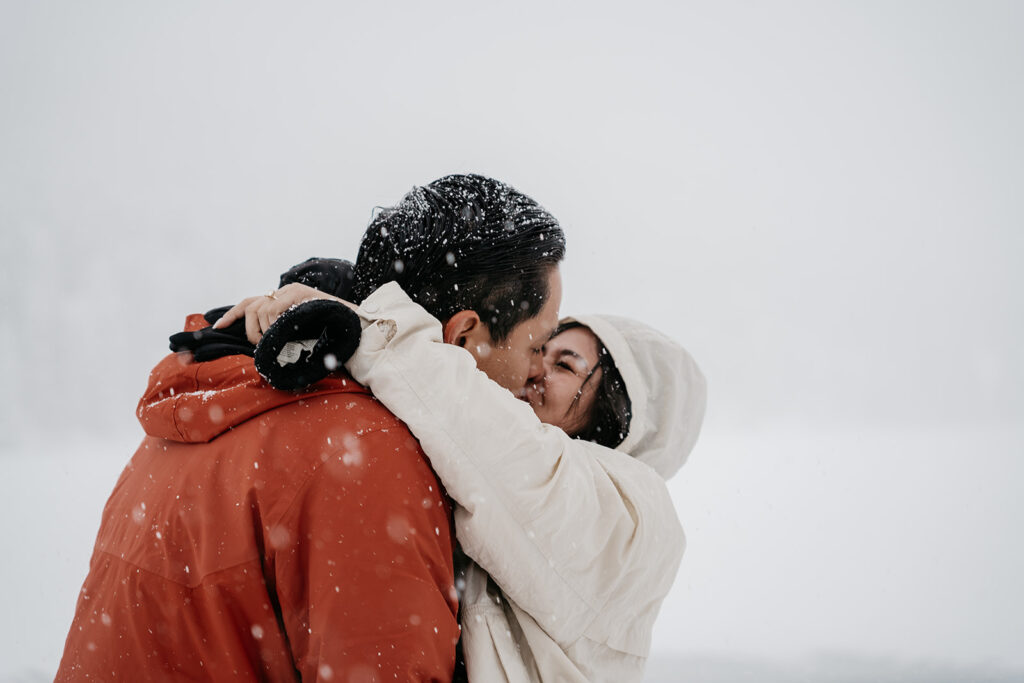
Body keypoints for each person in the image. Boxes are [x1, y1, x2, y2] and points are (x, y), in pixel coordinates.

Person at [56, 174, 567, 682]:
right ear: (463, 337)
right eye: (536, 346)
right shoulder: (364, 454)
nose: (539, 373)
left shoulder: (228, 395)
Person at [216, 274, 707, 682]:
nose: (536, 369)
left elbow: (504, 450)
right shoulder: (475, 463)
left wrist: (363, 324)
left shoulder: (637, 516)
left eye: (565, 365)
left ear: (620, 414)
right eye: (540, 349)